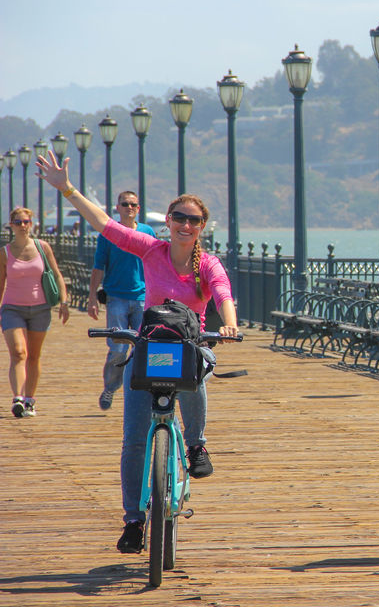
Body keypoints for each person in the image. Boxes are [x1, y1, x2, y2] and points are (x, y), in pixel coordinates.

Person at [36, 151, 239, 555]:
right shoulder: (151, 250)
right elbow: (105, 225)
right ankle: (133, 520)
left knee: (197, 367)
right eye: (179, 217)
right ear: (168, 221)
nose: (185, 225)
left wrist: (229, 323)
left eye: (193, 220)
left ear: (202, 226)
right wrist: (68, 189)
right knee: (133, 441)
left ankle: (196, 444)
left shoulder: (208, 264)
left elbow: (222, 293)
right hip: (150, 347)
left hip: (188, 345)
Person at [88, 191, 156, 411]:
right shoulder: (108, 234)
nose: (129, 208)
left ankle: (145, 391)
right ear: (117, 208)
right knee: (118, 348)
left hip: (142, 298)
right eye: (125, 204)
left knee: (144, 347)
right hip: (116, 297)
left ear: (138, 208)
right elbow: (99, 266)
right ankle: (110, 387)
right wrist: (92, 297)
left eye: (133, 204)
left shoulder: (147, 232)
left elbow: (157, 262)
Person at [0, 207, 70, 418]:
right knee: (18, 352)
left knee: (34, 355)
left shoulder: (42, 247)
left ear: (31, 224)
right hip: (12, 308)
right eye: (18, 222)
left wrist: (64, 302)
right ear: (11, 226)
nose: (22, 226)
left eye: (26, 222)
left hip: (40, 309)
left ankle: (29, 400)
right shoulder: (4, 253)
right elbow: (0, 284)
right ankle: (18, 398)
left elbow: (56, 275)